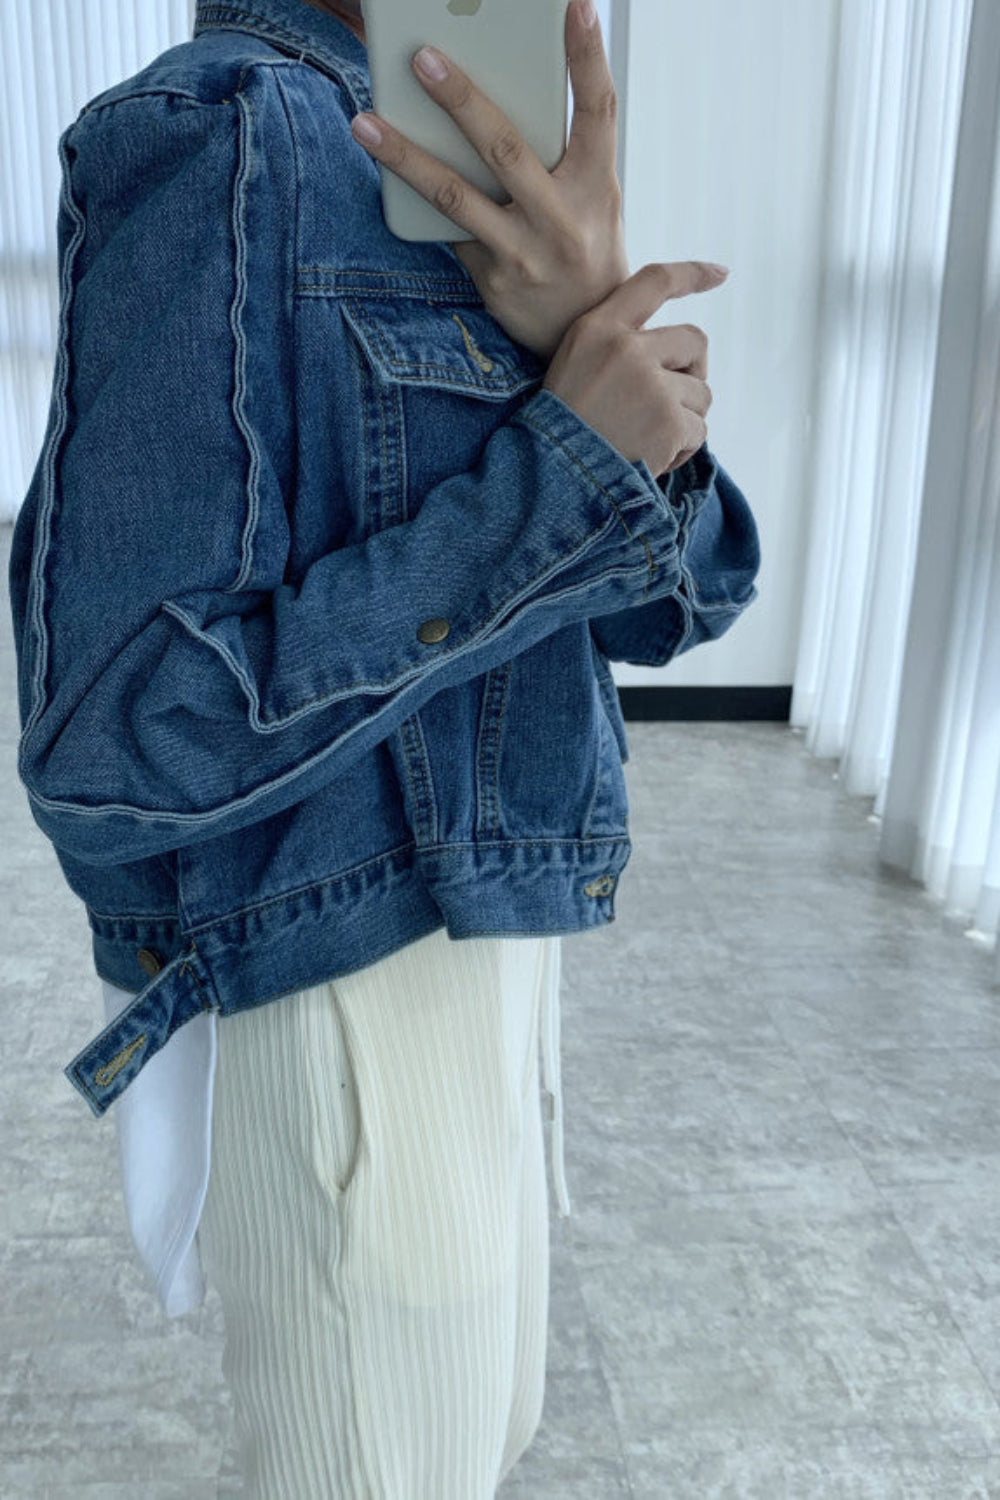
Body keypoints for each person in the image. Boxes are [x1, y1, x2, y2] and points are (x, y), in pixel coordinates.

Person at [6, 0, 761, 1494]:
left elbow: (696, 599)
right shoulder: (224, 135)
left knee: (476, 1446)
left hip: (492, 974)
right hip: (345, 1012)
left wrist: (590, 330)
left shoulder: (461, 165)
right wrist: (560, 473)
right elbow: (118, 739)